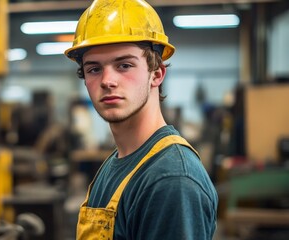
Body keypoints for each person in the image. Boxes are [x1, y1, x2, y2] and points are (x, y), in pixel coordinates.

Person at [64, 0, 218, 239]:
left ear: (156, 74)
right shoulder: (118, 162)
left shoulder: (171, 180)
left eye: (124, 65)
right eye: (94, 69)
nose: (107, 80)